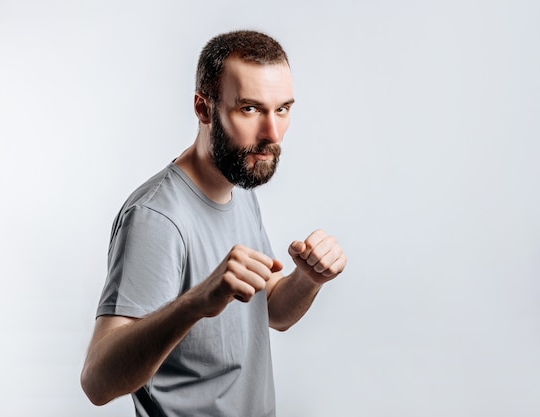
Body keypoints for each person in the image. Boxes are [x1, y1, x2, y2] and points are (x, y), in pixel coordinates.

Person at [80, 30, 347, 417]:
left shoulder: (239, 185)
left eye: (283, 109)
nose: (272, 134)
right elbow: (97, 382)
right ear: (204, 109)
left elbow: (270, 309)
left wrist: (308, 279)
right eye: (250, 109)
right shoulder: (156, 218)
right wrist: (196, 302)